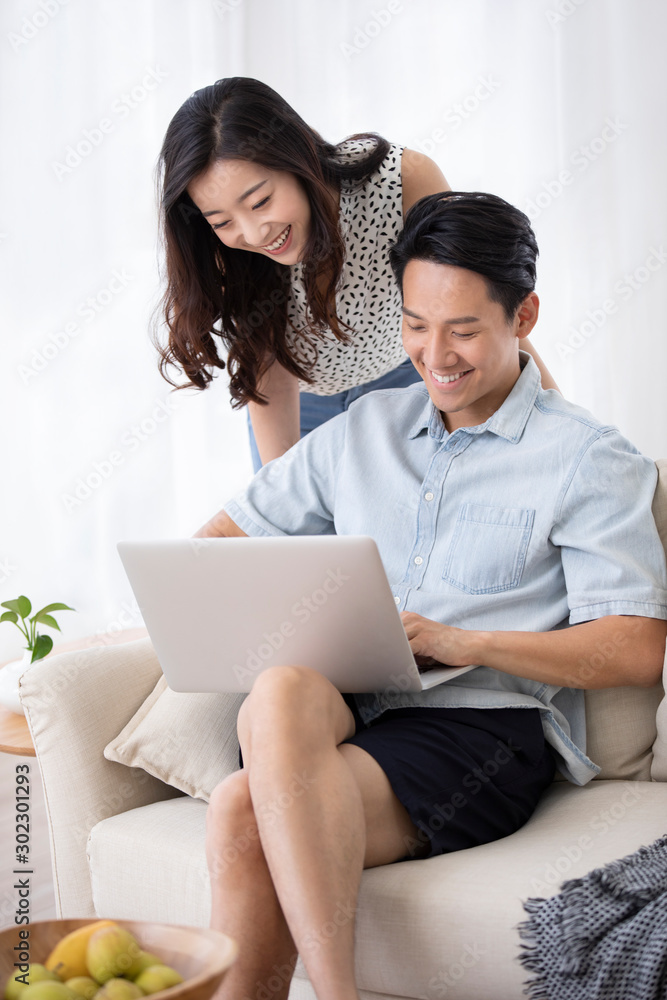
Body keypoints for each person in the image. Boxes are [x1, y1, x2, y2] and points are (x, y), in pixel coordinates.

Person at [195, 191, 667, 1000]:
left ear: (523, 316)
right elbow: (213, 549)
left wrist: (464, 642)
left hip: (476, 732)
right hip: (341, 705)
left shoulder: (586, 457)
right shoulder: (361, 430)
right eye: (415, 325)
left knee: (242, 810)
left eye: (462, 330)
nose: (434, 354)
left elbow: (634, 648)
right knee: (278, 689)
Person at [154, 77, 557, 471]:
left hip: (411, 378)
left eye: (260, 202)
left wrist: (560, 425)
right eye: (222, 221)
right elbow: (269, 374)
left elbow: (483, 304)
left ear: (298, 160)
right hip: (304, 401)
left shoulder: (401, 182)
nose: (255, 234)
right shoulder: (225, 253)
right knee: (288, 510)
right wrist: (281, 494)